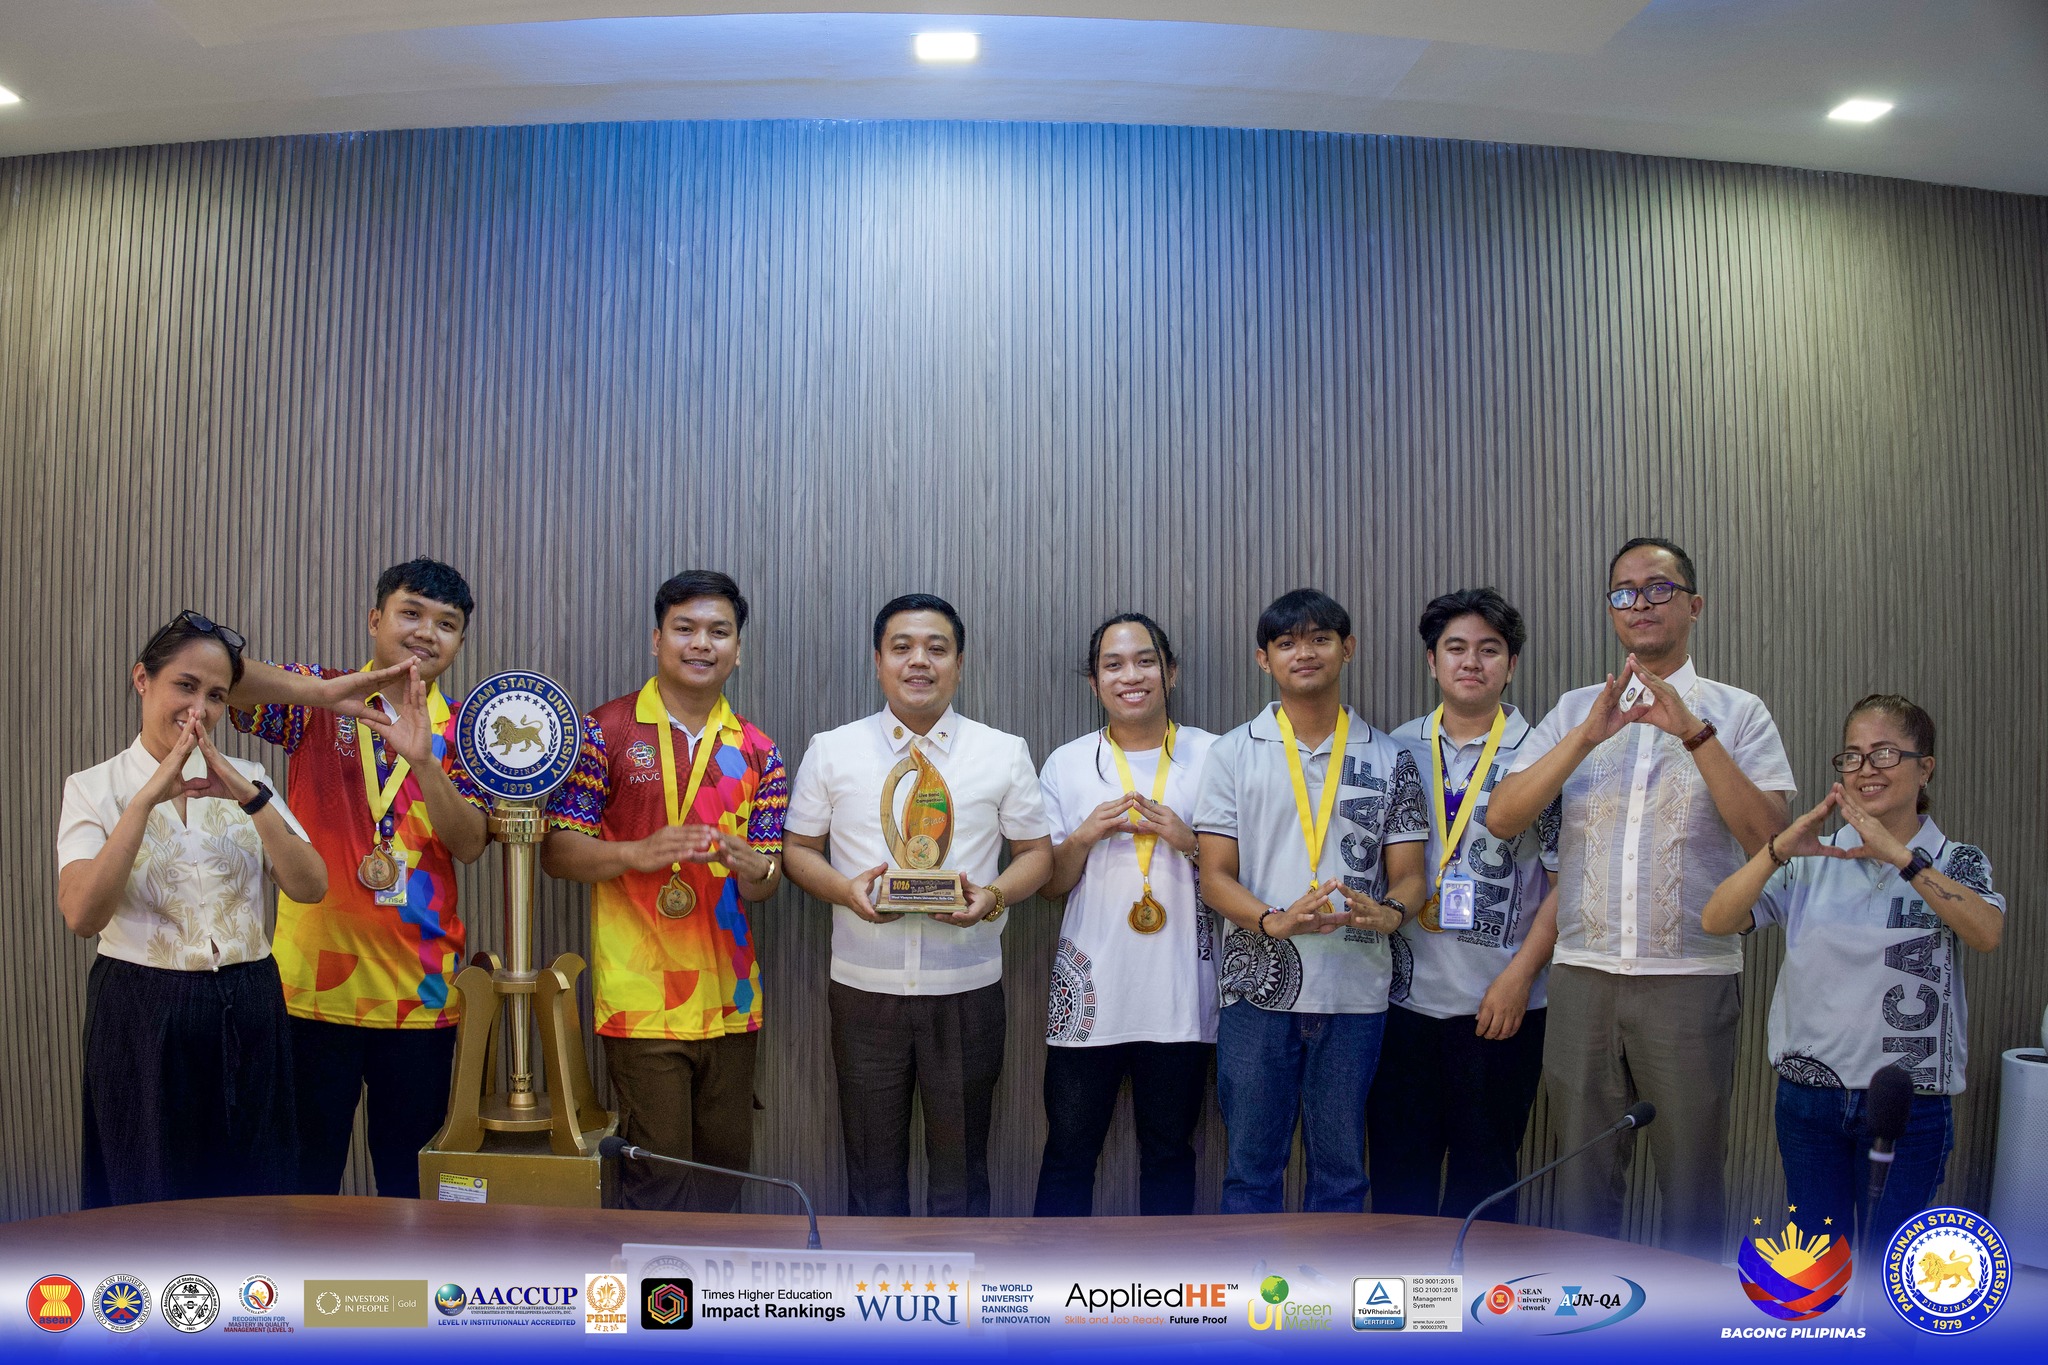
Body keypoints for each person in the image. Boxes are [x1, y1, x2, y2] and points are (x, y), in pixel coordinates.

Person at [1487, 537, 1794, 1259]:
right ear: (1612, 611)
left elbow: (1770, 840)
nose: (1641, 603)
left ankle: (1687, 1313)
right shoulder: (1575, 708)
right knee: (1582, 1181)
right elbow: (1503, 817)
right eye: (1624, 592)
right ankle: (1594, 1310)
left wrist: (1696, 734)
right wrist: (1586, 737)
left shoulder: (1738, 712)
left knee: (1691, 1182)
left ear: (1694, 605)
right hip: (1582, 976)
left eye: (1659, 588)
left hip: (1689, 980)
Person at [226, 558, 490, 1199]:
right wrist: (319, 693)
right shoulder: (319, 697)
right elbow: (223, 681)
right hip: (308, 991)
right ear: (375, 620)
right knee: (303, 1184)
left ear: (459, 642)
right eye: (411, 614)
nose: (427, 632)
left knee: (413, 1188)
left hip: (421, 995)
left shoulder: (469, 728)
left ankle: (411, 1272)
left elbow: (470, 844)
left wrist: (424, 763)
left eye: (446, 624)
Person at [783, 593, 1053, 1217]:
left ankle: (958, 1283)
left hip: (966, 991)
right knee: (871, 1173)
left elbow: (1036, 854)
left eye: (937, 648)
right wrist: (845, 891)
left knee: (962, 1173)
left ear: (960, 662)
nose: (919, 661)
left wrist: (992, 896)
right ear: (878, 661)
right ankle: (877, 1283)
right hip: (863, 992)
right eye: (901, 647)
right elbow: (797, 850)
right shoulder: (832, 749)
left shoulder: (1002, 750)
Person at [1702, 694, 2003, 1241]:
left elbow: (1986, 933)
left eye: (1884, 753)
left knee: (1895, 1261)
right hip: (1809, 1099)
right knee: (1820, 1257)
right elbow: (1717, 919)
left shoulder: (1957, 859)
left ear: (1924, 768)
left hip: (1907, 1103)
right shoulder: (1815, 858)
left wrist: (1901, 857)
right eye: (1853, 756)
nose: (1866, 769)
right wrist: (1776, 850)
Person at [59, 612, 327, 1206]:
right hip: (140, 1007)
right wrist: (144, 801)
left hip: (250, 999)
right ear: (142, 680)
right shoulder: (94, 787)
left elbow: (311, 886)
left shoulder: (248, 779)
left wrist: (253, 800)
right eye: (185, 686)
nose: (199, 709)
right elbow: (82, 915)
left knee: (256, 1184)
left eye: (215, 696)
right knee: (147, 1186)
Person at [541, 571, 788, 1211]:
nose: (701, 643)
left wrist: (753, 868)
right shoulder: (604, 731)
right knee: (661, 1175)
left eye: (718, 631)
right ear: (657, 640)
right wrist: (635, 853)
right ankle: (656, 1281)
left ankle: (711, 1280)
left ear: (738, 649)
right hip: (641, 995)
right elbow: (558, 853)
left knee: (725, 1174)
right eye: (685, 628)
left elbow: (766, 882)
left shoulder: (759, 750)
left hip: (732, 999)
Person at [1192, 588, 1428, 1214]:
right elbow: (1214, 877)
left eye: (1321, 639)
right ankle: (1253, 1285)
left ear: (1348, 649)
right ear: (1263, 658)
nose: (1305, 653)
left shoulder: (1391, 757)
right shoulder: (1231, 753)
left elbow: (1411, 876)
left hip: (1356, 994)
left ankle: (1331, 1285)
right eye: (1287, 642)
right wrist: (1271, 921)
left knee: (1343, 1176)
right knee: (1250, 1173)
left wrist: (1392, 912)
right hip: (1255, 995)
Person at [1370, 588, 1561, 1222]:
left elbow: (1567, 882)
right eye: (1455, 648)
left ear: (1511, 664)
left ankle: (1477, 1293)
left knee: (1484, 1184)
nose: (1471, 662)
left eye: (1489, 649)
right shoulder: (1395, 749)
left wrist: (1520, 977)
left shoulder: (1542, 754)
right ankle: (1402, 1291)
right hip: (1402, 1006)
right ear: (1432, 662)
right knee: (1399, 1180)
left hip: (1500, 1006)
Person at [1033, 614, 1218, 1217]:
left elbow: (1243, 873)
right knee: (1068, 1152)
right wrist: (1082, 837)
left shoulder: (1213, 755)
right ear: (1094, 682)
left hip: (1180, 992)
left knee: (1169, 1154)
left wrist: (1189, 841)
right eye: (1113, 665)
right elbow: (1051, 886)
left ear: (1171, 672)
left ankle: (1165, 1279)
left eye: (1145, 661)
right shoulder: (1066, 763)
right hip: (1089, 996)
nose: (1130, 676)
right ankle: (1050, 1276)